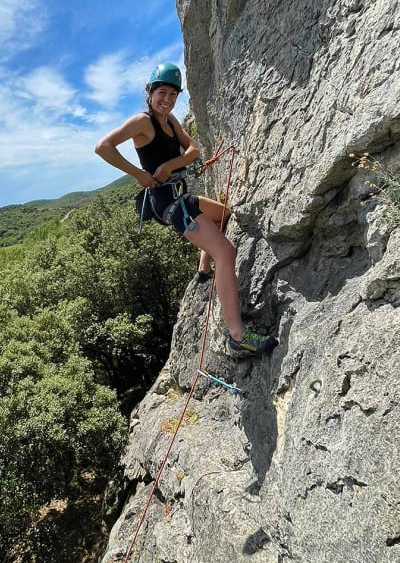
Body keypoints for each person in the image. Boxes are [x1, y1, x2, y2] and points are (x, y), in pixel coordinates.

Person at [94, 62, 277, 355]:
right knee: (226, 252)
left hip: (180, 194)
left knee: (224, 215)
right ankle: (237, 336)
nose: (167, 100)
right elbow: (103, 146)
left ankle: (204, 267)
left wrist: (169, 165)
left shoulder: (170, 122)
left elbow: (193, 150)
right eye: (162, 93)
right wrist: (139, 174)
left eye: (173, 95)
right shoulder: (144, 122)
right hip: (169, 204)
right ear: (149, 92)